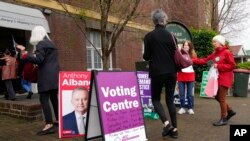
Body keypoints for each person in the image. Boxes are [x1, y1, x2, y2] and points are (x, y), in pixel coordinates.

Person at [16, 26, 60, 135]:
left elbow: (39, 60)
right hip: (55, 75)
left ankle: (49, 125)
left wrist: (26, 54)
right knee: (54, 98)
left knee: (44, 98)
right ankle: (59, 120)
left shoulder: (41, 44)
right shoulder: (51, 43)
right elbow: (45, 58)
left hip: (45, 76)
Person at [143, 9, 179, 138]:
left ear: (154, 21)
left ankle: (167, 124)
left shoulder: (149, 36)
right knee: (170, 100)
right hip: (172, 72)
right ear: (164, 20)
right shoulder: (172, 36)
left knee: (156, 100)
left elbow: (146, 56)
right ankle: (174, 130)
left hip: (157, 72)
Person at [193, 34, 236, 126]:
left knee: (222, 98)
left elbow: (232, 65)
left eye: (214, 42)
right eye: (213, 41)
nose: (213, 43)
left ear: (220, 43)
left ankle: (224, 118)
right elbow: (205, 60)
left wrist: (218, 66)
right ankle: (230, 111)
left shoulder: (227, 52)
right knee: (216, 96)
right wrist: (193, 60)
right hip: (217, 79)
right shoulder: (215, 53)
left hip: (225, 79)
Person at [177, 41, 197, 115]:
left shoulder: (193, 55)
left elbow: (195, 64)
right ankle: (182, 108)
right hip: (181, 76)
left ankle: (190, 108)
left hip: (190, 76)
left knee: (189, 94)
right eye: (184, 45)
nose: (185, 46)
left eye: (187, 45)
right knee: (181, 93)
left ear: (190, 46)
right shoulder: (180, 54)